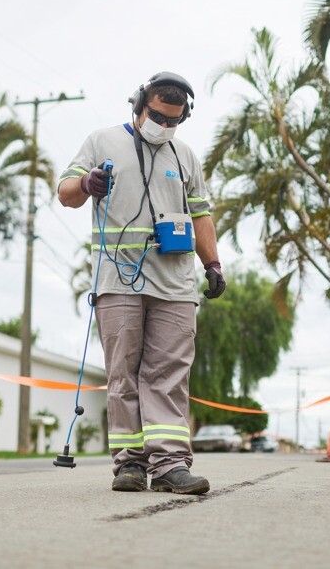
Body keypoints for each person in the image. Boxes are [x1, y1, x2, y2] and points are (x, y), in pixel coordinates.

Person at [57, 71, 226, 495]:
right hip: (119, 281)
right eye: (158, 117)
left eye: (174, 121)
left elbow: (201, 213)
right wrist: (85, 183)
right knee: (123, 375)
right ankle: (129, 465)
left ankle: (170, 466)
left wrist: (214, 264)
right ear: (138, 105)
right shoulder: (102, 142)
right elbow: (64, 192)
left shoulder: (185, 155)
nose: (164, 127)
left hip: (175, 285)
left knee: (168, 375)